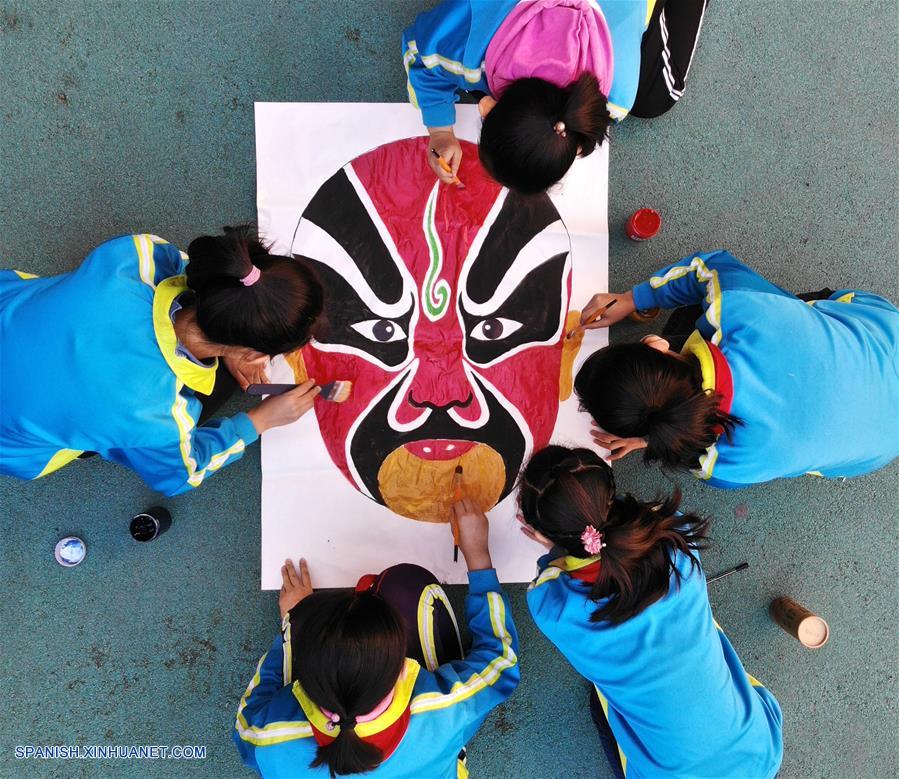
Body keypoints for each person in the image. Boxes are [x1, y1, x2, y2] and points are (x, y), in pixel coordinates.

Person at [518, 445, 784, 778]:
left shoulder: (550, 605)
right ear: (611, 496)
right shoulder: (676, 537)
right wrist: (559, 547)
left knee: (600, 706)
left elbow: (550, 577)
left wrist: (553, 552)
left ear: (544, 534)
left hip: (761, 754)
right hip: (758, 752)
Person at [0, 227, 323, 495]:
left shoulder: (135, 255)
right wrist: (259, 421)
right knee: (135, 425)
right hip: (15, 444)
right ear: (253, 355)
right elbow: (182, 476)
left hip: (10, 307)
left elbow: (192, 273)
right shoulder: (156, 419)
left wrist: (235, 340)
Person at [234, 498, 519, 778]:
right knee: (406, 583)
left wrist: (294, 622)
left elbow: (247, 723)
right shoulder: (445, 711)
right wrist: (479, 558)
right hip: (434, 739)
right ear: (403, 667)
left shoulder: (266, 736)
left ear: (304, 676)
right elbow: (501, 658)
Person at [573, 250, 899, 488]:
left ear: (657, 343)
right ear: (654, 344)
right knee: (770, 309)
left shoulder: (721, 465)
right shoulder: (739, 311)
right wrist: (633, 299)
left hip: (883, 444)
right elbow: (709, 267)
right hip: (886, 335)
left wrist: (649, 438)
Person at [402, 0, 708, 193]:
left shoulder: (615, 99)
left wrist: (442, 127)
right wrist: (440, 130)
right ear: (488, 107)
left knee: (656, 96)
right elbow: (418, 55)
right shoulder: (467, 40)